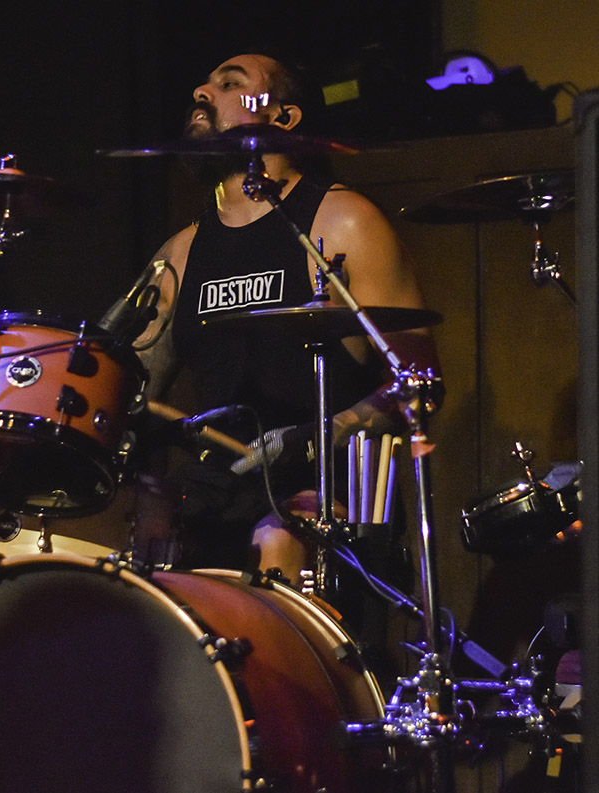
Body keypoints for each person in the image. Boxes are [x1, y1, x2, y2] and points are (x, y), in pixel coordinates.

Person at [131, 49, 442, 584]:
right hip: (217, 485)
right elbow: (132, 388)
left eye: (229, 83)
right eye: (203, 85)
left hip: (325, 490)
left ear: (283, 116)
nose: (202, 94)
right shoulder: (179, 255)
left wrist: (315, 436)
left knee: (278, 535)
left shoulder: (342, 223)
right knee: (141, 533)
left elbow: (418, 384)